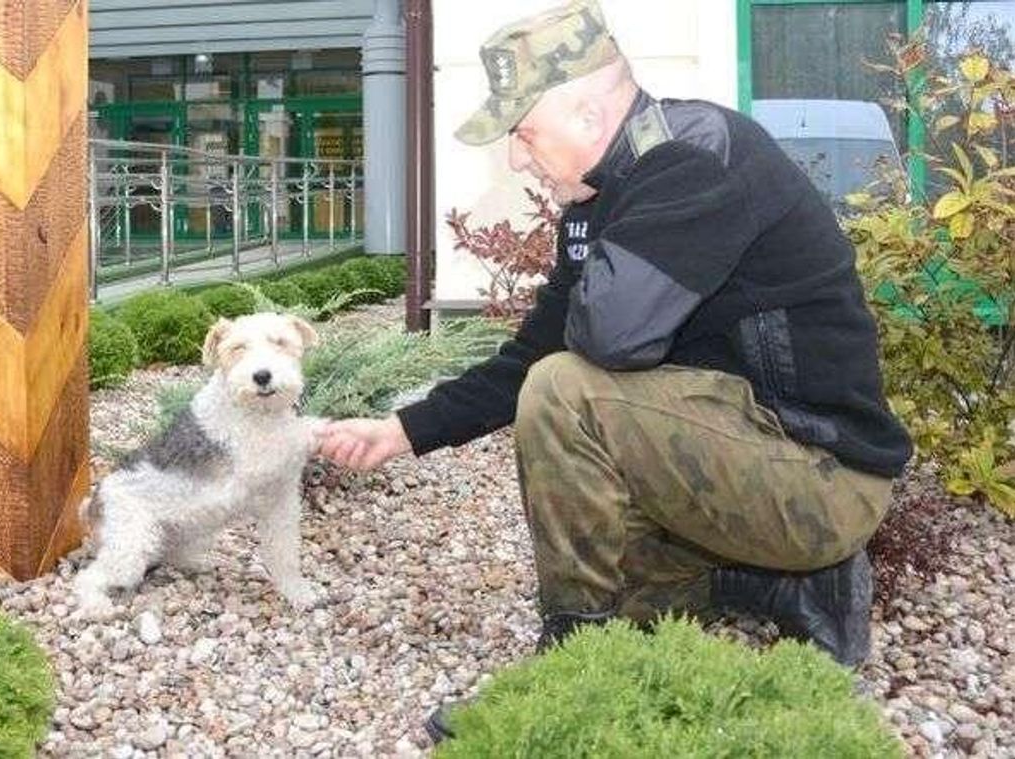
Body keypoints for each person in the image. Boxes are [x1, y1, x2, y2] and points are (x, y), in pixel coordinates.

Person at [317, 0, 912, 740]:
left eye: (524, 132)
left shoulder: (693, 165)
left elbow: (605, 342)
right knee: (630, 574)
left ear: (587, 114)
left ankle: (574, 660)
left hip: (823, 480)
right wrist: (402, 430)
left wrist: (587, 233)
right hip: (750, 451)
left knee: (567, 396)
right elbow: (535, 347)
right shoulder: (607, 189)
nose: (515, 157)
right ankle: (771, 583)